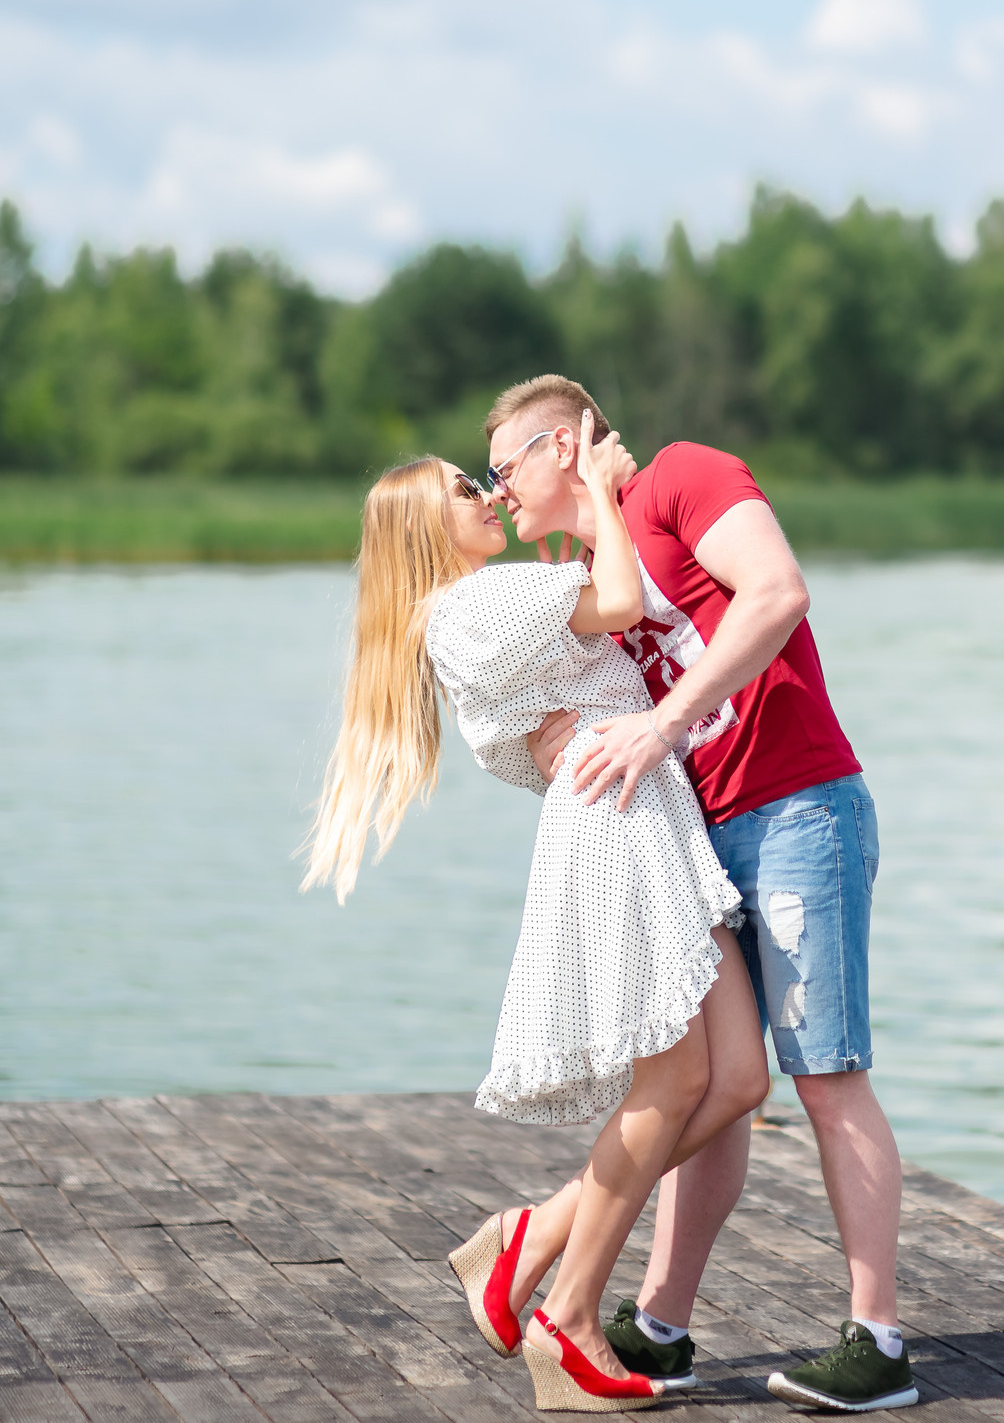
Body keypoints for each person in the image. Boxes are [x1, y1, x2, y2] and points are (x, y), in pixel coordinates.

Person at [300, 415, 768, 1413]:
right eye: (467, 490)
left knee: (734, 1077)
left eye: (486, 479)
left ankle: (531, 1236)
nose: (488, 495)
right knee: (682, 1072)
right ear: (429, 532)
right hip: (619, 815)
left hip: (633, 800)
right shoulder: (476, 603)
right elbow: (622, 597)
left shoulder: (479, 607)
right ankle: (567, 1313)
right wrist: (599, 483)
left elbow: (522, 740)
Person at [484, 375, 919, 1415]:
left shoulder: (682, 476)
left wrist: (663, 720)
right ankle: (661, 1323)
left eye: (503, 468)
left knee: (826, 1072)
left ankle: (878, 1341)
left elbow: (777, 592)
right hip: (698, 839)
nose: (497, 495)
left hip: (798, 807)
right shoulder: (593, 569)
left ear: (561, 444)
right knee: (712, 1081)